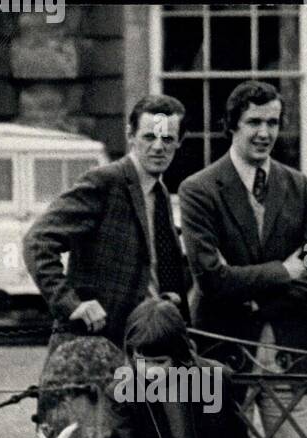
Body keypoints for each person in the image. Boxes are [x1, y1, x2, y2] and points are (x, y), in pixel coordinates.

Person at [178, 79, 307, 438]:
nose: (264, 133)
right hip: (223, 355)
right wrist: (285, 270)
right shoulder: (200, 190)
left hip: (290, 352)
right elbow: (211, 279)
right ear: (231, 125)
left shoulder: (298, 188)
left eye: (273, 122)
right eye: (253, 122)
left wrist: (244, 282)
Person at [24, 94, 190, 348]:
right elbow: (37, 242)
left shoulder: (161, 193)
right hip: (93, 345)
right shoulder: (105, 182)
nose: (158, 147)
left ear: (179, 141)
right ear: (130, 135)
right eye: (149, 137)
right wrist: (71, 304)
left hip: (142, 344)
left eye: (167, 138)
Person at [102, 298, 264, 438]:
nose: (150, 372)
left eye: (159, 362)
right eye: (141, 361)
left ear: (180, 356)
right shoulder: (124, 390)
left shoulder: (212, 381)